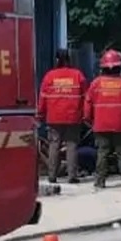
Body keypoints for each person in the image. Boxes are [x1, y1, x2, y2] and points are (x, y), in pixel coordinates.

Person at [84, 49, 121, 189]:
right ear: (119, 66)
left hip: (101, 124)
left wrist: (88, 119)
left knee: (102, 152)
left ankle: (100, 181)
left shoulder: (96, 83)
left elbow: (88, 102)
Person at [36, 48, 87, 184]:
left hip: (54, 117)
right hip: (73, 117)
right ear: (69, 59)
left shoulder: (49, 76)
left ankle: (52, 176)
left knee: (54, 146)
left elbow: (43, 98)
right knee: (72, 146)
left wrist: (40, 116)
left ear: (57, 60)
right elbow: (85, 98)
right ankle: (72, 176)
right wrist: (86, 115)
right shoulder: (78, 75)